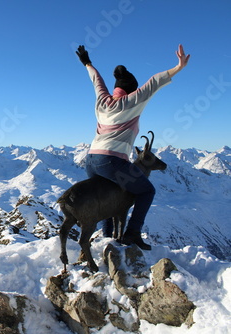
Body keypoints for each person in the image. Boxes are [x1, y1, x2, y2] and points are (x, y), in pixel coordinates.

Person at [75, 44, 190, 250]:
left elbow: (96, 81)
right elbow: (154, 82)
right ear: (132, 89)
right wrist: (178, 67)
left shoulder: (103, 100)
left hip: (91, 160)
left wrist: (87, 62)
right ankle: (132, 234)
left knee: (106, 198)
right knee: (146, 191)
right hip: (111, 161)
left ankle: (107, 240)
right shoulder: (133, 100)